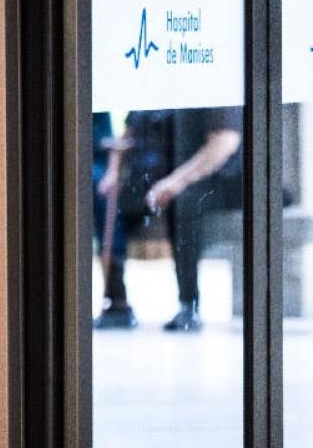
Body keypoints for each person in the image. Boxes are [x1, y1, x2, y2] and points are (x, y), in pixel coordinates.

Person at [99, 107, 243, 332]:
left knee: (185, 204)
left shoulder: (215, 96)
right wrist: (113, 173)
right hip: (152, 178)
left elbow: (225, 143)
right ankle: (117, 302)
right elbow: (125, 138)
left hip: (212, 182)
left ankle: (189, 304)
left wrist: (175, 182)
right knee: (106, 202)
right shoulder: (149, 97)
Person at [92, 111, 136, 328]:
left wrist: (112, 173)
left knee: (111, 234)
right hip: (91, 169)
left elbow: (109, 141)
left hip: (105, 174)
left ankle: (117, 299)